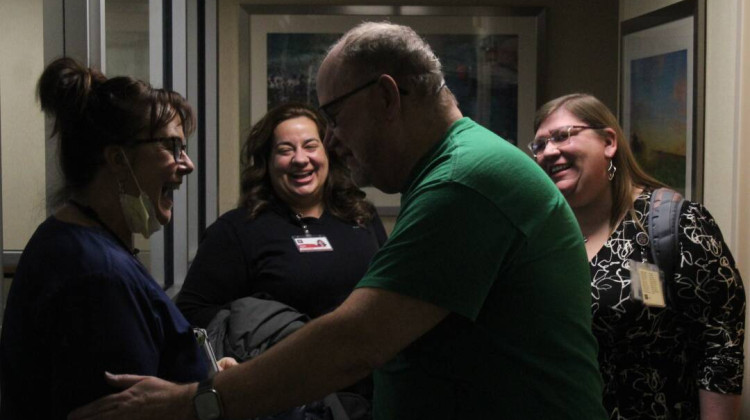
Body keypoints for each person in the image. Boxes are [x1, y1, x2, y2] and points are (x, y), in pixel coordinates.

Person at [68, 22, 606, 420]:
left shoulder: (466, 182)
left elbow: (357, 341)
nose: (333, 142)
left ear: (387, 97)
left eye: (334, 118)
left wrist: (196, 403)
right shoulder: (453, 172)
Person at [0, 57, 234, 419]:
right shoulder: (95, 276)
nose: (186, 164)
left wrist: (209, 378)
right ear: (118, 160)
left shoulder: (81, 245)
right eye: (171, 147)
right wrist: (203, 398)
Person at [531, 93, 745, 420]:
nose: (549, 151)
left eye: (562, 136)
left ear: (609, 142)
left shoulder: (674, 225)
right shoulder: (544, 235)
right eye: (539, 145)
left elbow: (719, 347)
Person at [175, 102, 386, 329]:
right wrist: (267, 330)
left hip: (370, 361)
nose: (300, 159)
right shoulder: (236, 230)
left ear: (328, 154)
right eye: (285, 150)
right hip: (287, 363)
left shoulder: (361, 215)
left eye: (310, 146)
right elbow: (190, 312)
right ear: (267, 162)